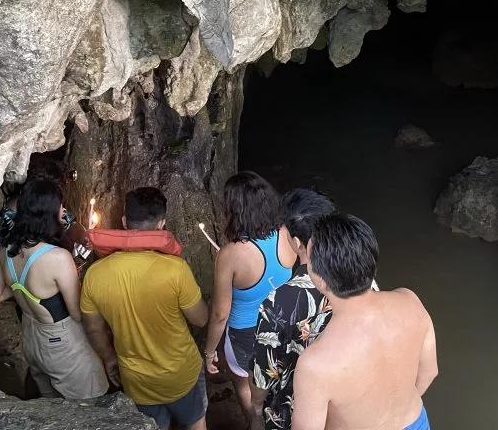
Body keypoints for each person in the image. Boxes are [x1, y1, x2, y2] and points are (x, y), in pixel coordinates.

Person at [291, 214, 438, 430]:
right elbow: (430, 372)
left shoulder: (314, 364)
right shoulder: (410, 301)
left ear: (321, 280)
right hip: (416, 423)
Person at [80, 187, 209, 430]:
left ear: (124, 221)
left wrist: (109, 359)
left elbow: (94, 329)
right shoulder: (176, 269)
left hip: (137, 381)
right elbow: (201, 319)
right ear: (162, 224)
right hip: (181, 373)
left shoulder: (95, 275)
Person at [0, 177, 108, 399]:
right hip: (61, 343)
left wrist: (22, 287)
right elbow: (77, 313)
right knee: (92, 399)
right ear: (49, 212)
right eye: (60, 205)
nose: (63, 210)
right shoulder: (58, 258)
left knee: (50, 405)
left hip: (31, 340)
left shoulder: (4, 249)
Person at [204, 172, 296, 424]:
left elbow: (220, 313)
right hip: (283, 323)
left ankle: (256, 422)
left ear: (233, 209)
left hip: (245, 333)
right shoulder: (287, 234)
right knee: (278, 376)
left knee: (245, 384)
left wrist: (209, 351)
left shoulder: (230, 254)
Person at [251, 188, 336, 430]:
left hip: (296, 408)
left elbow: (264, 371)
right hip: (344, 404)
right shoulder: (362, 280)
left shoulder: (280, 300)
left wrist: (256, 407)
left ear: (297, 243)